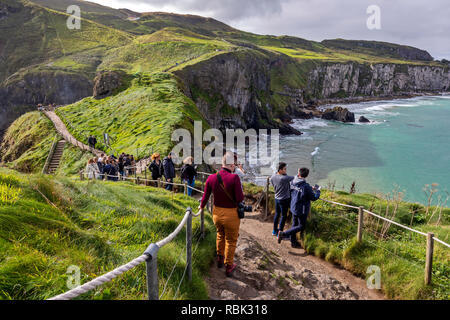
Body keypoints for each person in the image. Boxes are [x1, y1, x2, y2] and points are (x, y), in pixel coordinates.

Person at [198, 152, 244, 277]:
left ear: (222, 163)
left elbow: (205, 196)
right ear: (232, 164)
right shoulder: (235, 178)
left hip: (217, 213)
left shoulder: (211, 178)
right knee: (231, 240)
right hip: (231, 214)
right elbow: (240, 198)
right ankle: (229, 266)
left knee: (220, 235)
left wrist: (201, 207)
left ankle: (219, 258)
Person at [277, 167, 320, 248]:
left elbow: (296, 189)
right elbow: (313, 197)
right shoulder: (305, 186)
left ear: (299, 173)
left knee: (294, 224)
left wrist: (310, 188)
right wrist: (318, 191)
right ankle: (284, 234)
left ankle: (293, 242)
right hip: (301, 209)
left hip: (293, 206)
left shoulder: (293, 181)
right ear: (306, 176)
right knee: (301, 226)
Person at [270, 162, 295, 236]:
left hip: (277, 198)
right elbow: (296, 178)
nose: (286, 170)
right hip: (284, 199)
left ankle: (274, 231)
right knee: (283, 216)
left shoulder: (273, 176)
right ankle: (280, 233)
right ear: (280, 170)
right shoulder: (284, 178)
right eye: (284, 169)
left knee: (277, 214)